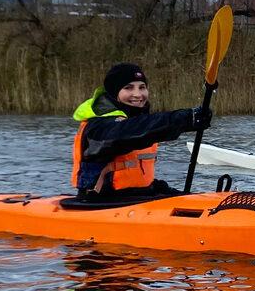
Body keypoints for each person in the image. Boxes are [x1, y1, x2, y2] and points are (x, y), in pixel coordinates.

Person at [71, 62, 212, 200]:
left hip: (137, 197)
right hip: (104, 201)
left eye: (142, 87)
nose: (138, 94)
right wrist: (184, 119)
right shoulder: (99, 126)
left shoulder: (138, 120)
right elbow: (131, 132)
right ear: (114, 92)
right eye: (128, 88)